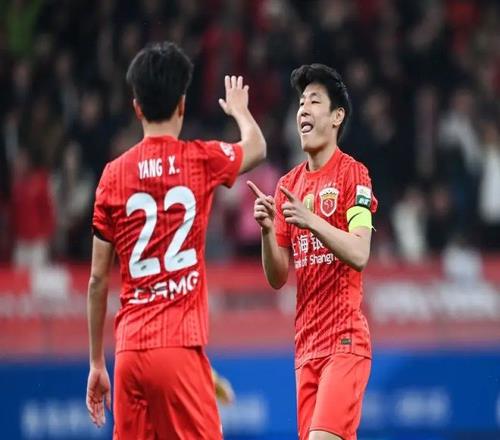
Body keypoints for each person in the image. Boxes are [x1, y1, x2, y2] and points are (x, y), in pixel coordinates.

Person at [86, 41, 265, 439]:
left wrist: (97, 362)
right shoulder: (201, 159)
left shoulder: (112, 176)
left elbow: (97, 280)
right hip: (179, 346)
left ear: (137, 108)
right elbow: (256, 148)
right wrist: (240, 111)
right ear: (182, 105)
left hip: (129, 353)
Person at [248, 64, 377, 440]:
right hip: (306, 347)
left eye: (315, 101)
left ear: (337, 117)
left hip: (345, 340)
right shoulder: (287, 185)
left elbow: (360, 252)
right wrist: (268, 231)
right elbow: (277, 277)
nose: (303, 109)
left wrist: (311, 221)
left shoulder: (354, 175)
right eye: (301, 102)